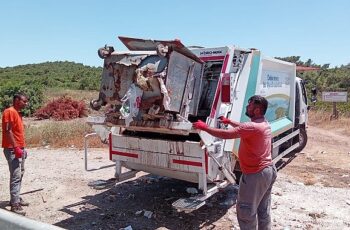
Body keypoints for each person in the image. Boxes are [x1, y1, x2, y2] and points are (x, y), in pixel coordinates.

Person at [193, 95, 277, 230]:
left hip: (255, 175)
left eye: (249, 106)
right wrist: (229, 121)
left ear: (257, 110)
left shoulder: (252, 127)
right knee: (263, 210)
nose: (246, 107)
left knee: (246, 211)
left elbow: (226, 134)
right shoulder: (263, 123)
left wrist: (204, 127)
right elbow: (244, 127)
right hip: (268, 171)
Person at [2, 93, 29, 215]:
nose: (26, 103)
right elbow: (8, 131)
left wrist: (22, 148)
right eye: (24, 101)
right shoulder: (9, 111)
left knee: (19, 174)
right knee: (16, 175)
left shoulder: (17, 113)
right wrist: (16, 147)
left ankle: (16, 198)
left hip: (19, 148)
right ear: (17, 100)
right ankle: (14, 204)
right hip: (13, 149)